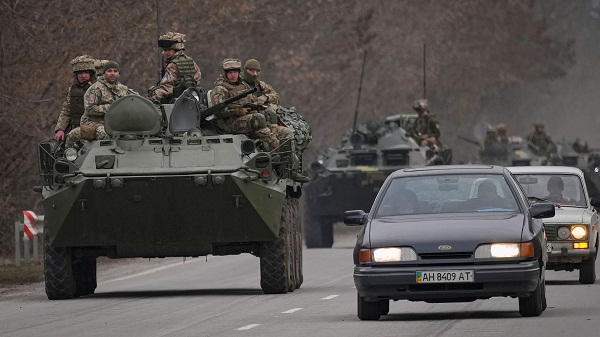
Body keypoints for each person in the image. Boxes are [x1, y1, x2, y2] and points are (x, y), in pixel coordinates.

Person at [211, 58, 279, 151]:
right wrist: (237, 111)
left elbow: (253, 100)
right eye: (230, 73)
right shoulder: (220, 89)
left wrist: (258, 105)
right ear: (226, 74)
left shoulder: (244, 85)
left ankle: (271, 143)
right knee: (258, 118)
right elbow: (218, 112)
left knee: (270, 113)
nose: (233, 75)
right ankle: (275, 148)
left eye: (235, 72)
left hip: (245, 117)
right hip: (230, 123)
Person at [65, 61, 129, 148]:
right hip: (95, 123)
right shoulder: (95, 89)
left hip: (116, 123)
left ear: (119, 74)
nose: (112, 73)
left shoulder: (123, 89)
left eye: (115, 71)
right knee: (107, 135)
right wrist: (111, 108)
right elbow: (90, 109)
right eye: (109, 71)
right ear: (104, 73)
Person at [241, 58, 294, 141]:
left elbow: (277, 97)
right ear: (245, 70)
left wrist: (266, 97)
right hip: (249, 122)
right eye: (251, 71)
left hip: (265, 121)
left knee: (288, 134)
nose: (254, 74)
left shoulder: (260, 85)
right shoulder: (239, 84)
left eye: (257, 71)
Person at [53, 55, 97, 143]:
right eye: (80, 73)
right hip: (75, 128)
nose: (83, 76)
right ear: (76, 75)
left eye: (86, 73)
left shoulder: (98, 88)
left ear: (90, 74)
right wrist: (60, 129)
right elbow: (66, 110)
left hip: (94, 128)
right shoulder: (72, 90)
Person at [148, 32, 201, 103]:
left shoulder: (172, 65)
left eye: (169, 50)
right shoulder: (191, 62)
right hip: (193, 101)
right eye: (165, 50)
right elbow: (197, 79)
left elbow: (166, 89)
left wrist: (152, 99)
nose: (166, 53)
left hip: (176, 104)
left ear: (176, 49)